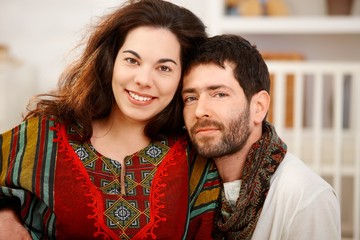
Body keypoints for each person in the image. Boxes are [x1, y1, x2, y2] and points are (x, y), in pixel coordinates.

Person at [0, 0, 220, 239]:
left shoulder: (194, 157)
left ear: (183, 77)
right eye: (132, 61)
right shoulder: (44, 135)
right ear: (110, 61)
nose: (143, 79)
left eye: (164, 68)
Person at [181, 34, 341, 239]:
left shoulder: (304, 196)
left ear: (259, 107)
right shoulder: (185, 184)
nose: (200, 110)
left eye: (219, 94)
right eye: (191, 98)